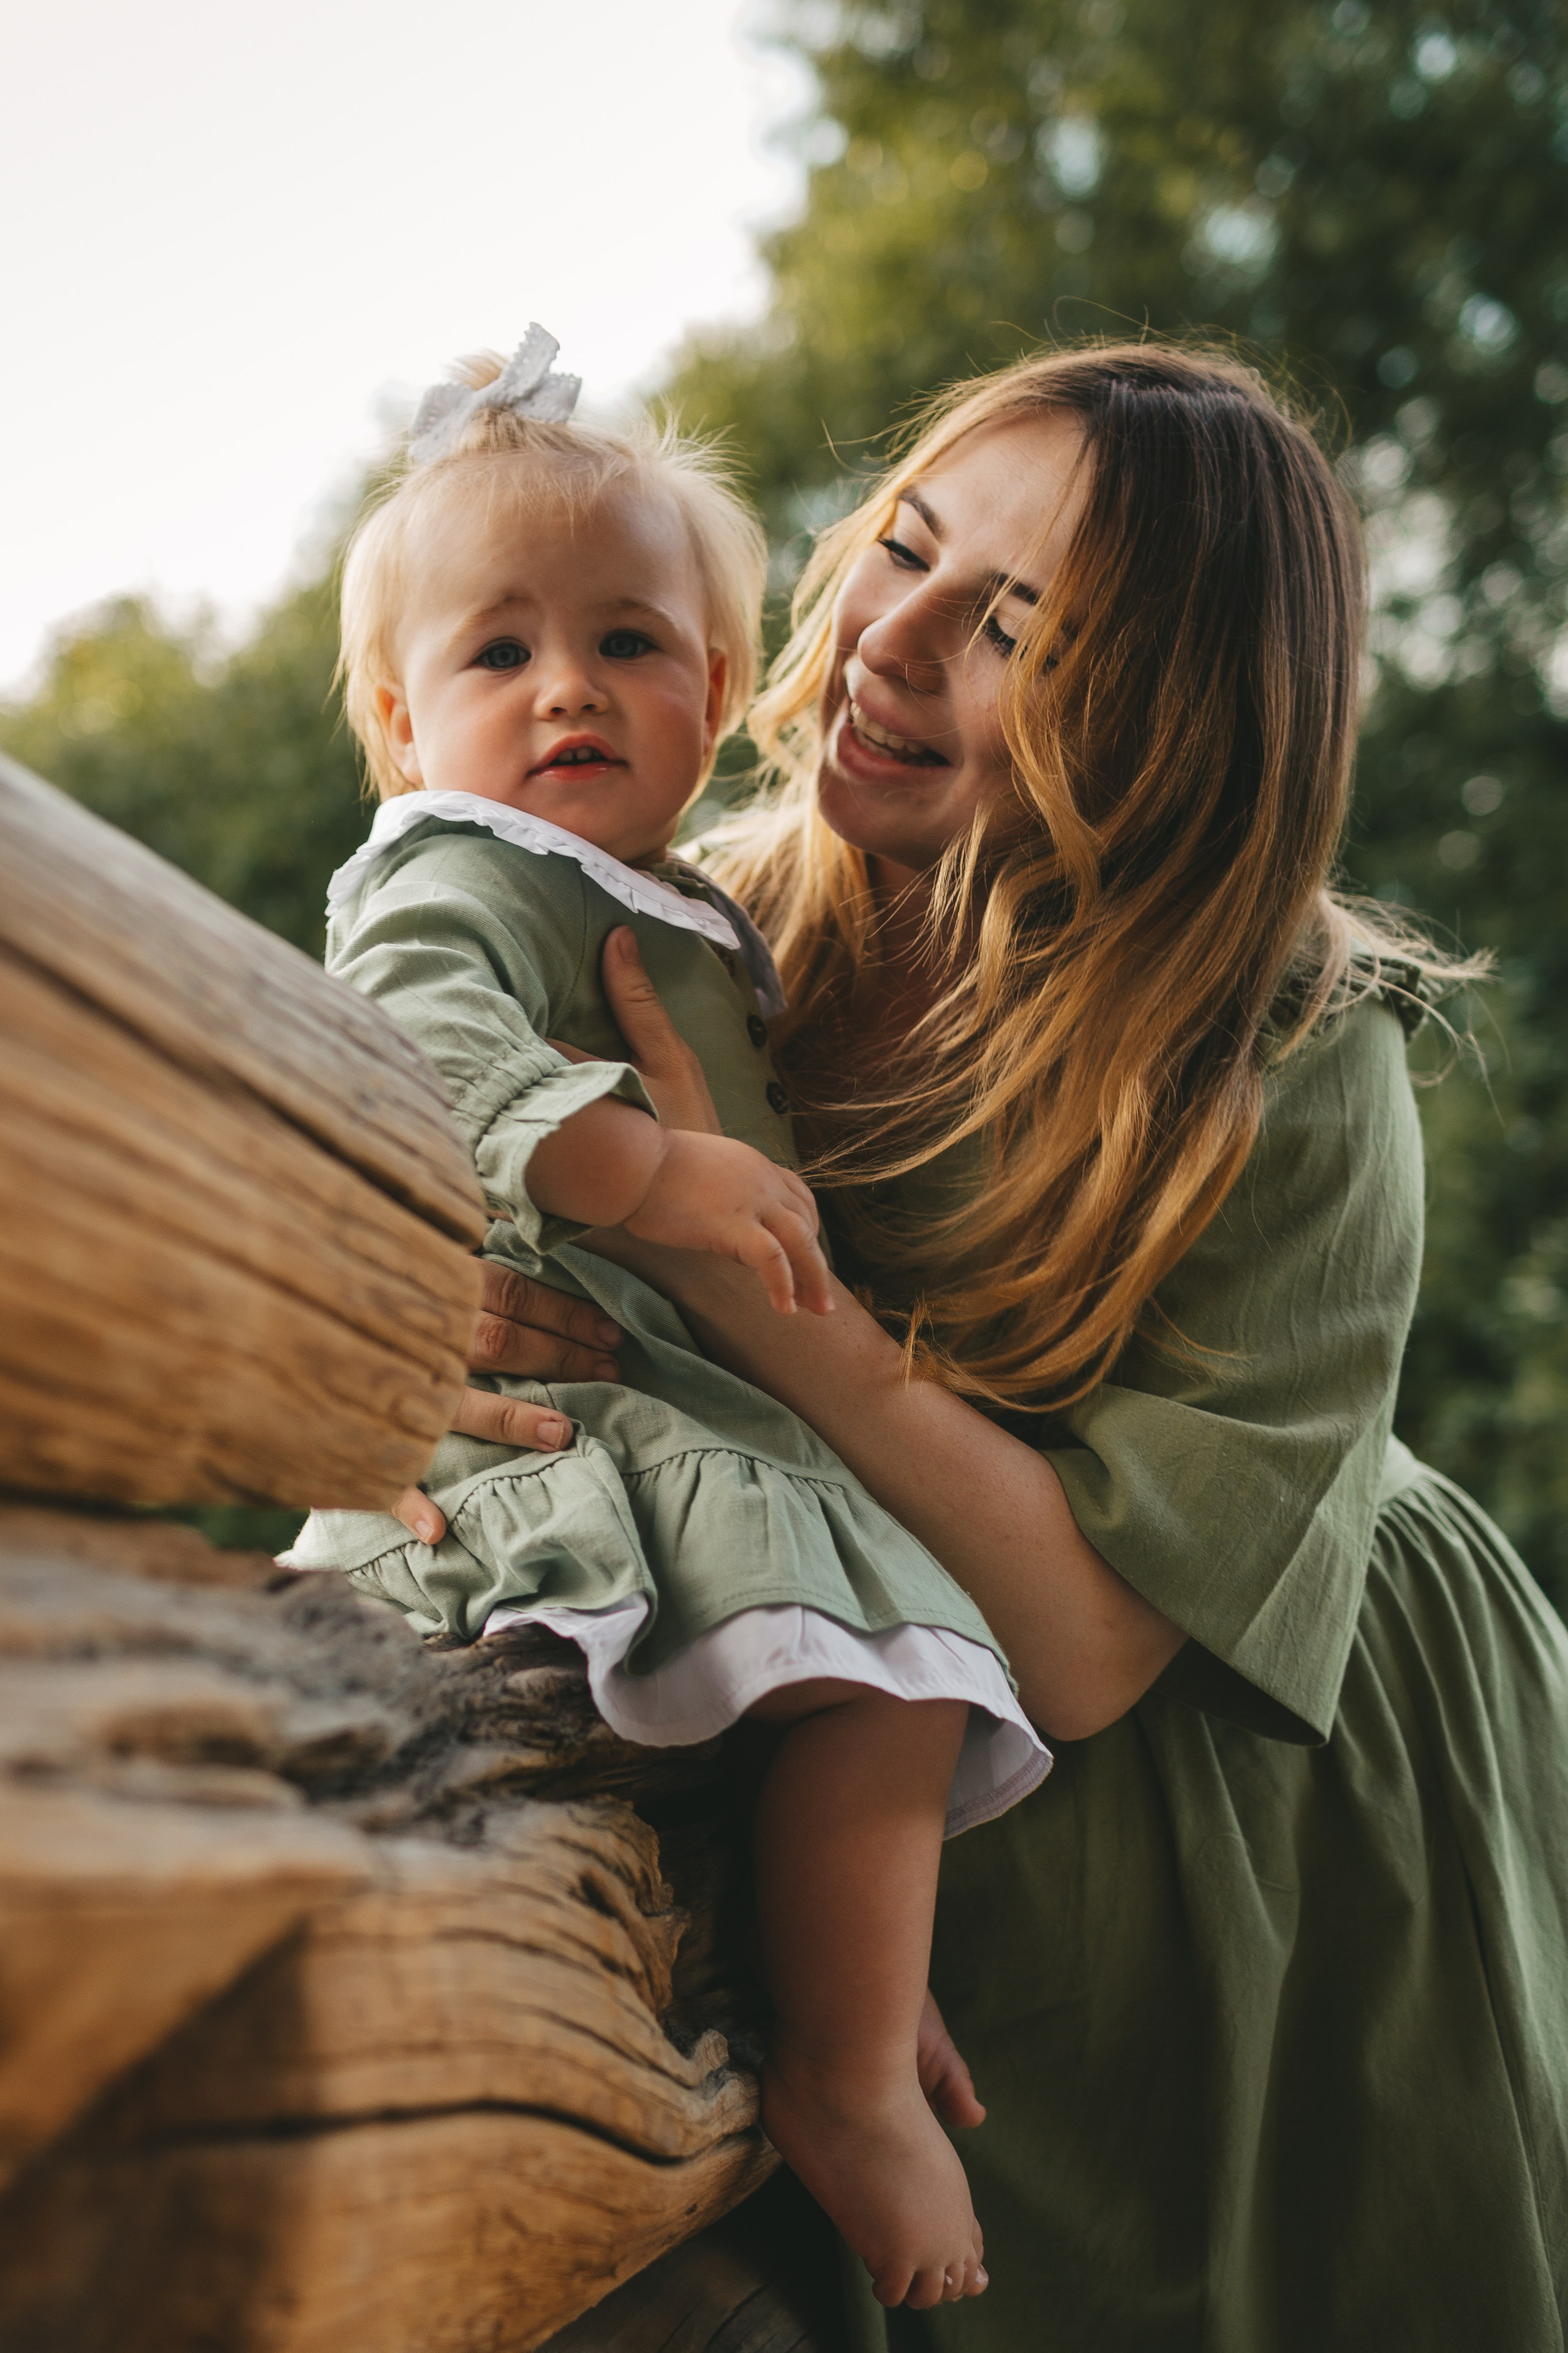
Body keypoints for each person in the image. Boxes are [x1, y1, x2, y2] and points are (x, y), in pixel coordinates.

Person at [393, 342, 1568, 2351]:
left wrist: (753, 1296)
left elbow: (1101, 1642)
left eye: (1012, 623)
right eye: (909, 550)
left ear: (1176, 718)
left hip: (1257, 1777)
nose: (893, 638)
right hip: (871, 1727)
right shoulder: (693, 928)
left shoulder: (1283, 1045)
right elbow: (475, 1215)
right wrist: (432, 1369)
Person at [288, 328, 1057, 2311]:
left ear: (719, 694)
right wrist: (635, 1170)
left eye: (631, 641)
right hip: (559, 1444)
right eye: (497, 652)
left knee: (879, 1686)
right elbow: (415, 1039)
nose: (568, 686)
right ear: (397, 720)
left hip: (681, 1420)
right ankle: (849, 2070)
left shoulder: (678, 899)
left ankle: (848, 2014)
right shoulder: (456, 871)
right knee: (892, 1673)